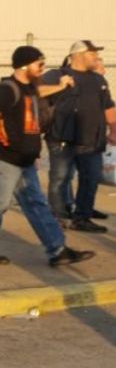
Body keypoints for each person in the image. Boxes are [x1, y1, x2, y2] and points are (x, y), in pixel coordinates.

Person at [0, 47, 93, 268]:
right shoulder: (7, 89)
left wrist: (61, 86)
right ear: (25, 66)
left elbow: (41, 92)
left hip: (24, 161)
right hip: (5, 160)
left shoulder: (28, 89)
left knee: (36, 204)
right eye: (39, 65)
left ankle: (57, 250)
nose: (42, 69)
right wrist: (11, 149)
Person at [43, 40, 116, 233]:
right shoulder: (56, 75)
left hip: (92, 140)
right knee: (60, 178)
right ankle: (58, 217)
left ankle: (82, 218)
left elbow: (108, 106)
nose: (97, 58)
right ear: (79, 55)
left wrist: (114, 129)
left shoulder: (98, 80)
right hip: (62, 139)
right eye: (92, 54)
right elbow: (35, 91)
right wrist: (59, 87)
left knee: (90, 179)